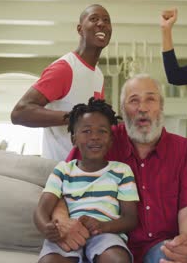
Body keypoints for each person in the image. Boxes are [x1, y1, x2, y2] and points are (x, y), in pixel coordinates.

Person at [56, 74, 187, 263]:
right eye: (134, 100)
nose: (142, 108)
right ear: (122, 110)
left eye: (150, 99)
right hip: (105, 244)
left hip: (160, 247)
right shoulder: (100, 140)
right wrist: (62, 221)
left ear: (161, 106)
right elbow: (61, 186)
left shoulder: (185, 151)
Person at [34, 98, 139, 263]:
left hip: (105, 235)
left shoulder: (121, 171)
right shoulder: (63, 170)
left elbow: (130, 218)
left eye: (102, 131)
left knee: (116, 259)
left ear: (111, 140)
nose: (95, 137)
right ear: (74, 139)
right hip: (67, 233)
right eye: (87, 131)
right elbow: (41, 210)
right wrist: (47, 228)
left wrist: (102, 226)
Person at [11, 4, 112, 161]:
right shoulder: (64, 68)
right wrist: (74, 117)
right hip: (58, 173)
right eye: (94, 19)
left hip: (85, 174)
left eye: (106, 20)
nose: (101, 24)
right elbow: (19, 113)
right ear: (80, 29)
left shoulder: (98, 75)